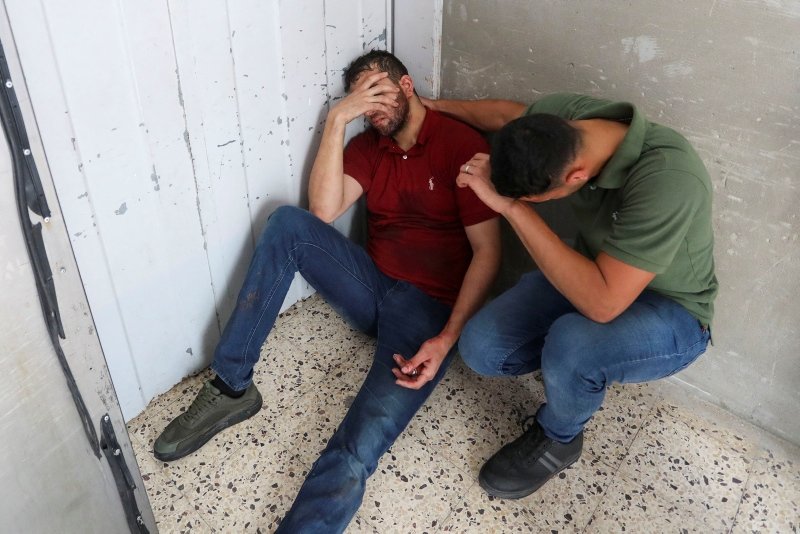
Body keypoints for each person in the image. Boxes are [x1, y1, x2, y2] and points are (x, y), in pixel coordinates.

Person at [153, 50, 500, 532]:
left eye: (378, 91)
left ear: (406, 85)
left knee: (358, 446)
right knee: (287, 224)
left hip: (427, 311)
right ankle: (231, 385)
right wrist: (338, 116)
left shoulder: (459, 144)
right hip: (373, 288)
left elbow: (488, 254)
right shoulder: (367, 148)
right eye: (362, 99)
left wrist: (447, 339)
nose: (372, 108)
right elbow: (322, 211)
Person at [422, 93, 718, 499]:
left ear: (576, 176)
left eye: (535, 198)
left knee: (574, 344)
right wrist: (435, 106)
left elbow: (602, 304)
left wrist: (511, 207)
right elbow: (506, 115)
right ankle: (572, 367)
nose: (529, 203)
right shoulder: (570, 121)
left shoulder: (669, 179)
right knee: (483, 347)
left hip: (672, 311)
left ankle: (559, 437)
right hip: (592, 269)